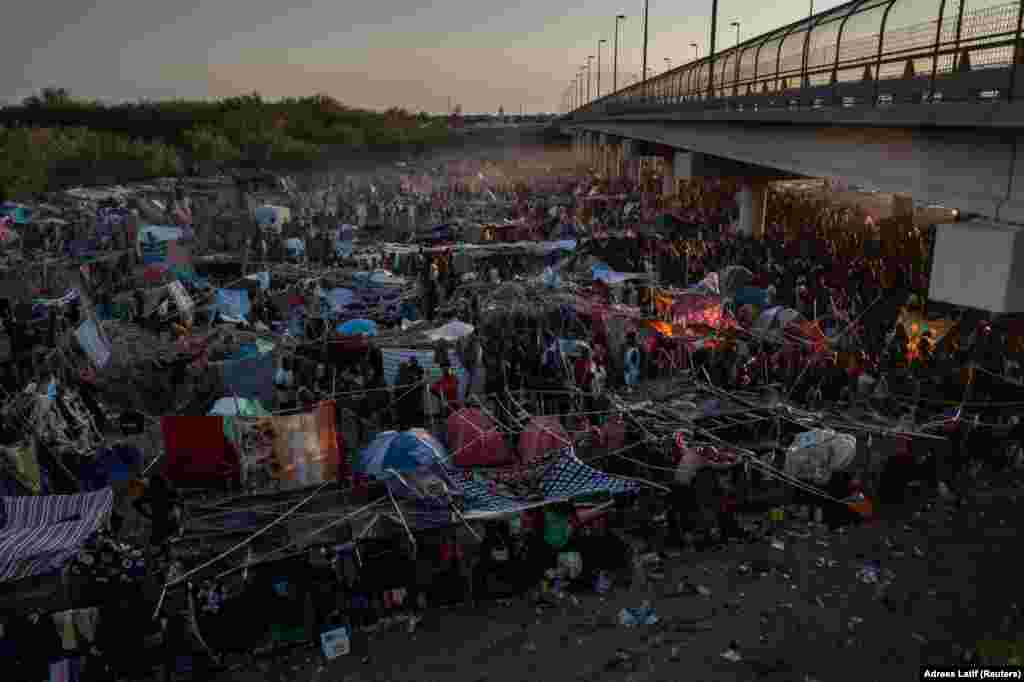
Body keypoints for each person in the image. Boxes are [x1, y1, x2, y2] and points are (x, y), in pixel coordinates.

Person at [133, 473, 181, 559]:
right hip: (162, 501)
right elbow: (175, 516)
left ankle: (145, 478)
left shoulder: (165, 534)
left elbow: (175, 517)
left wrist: (145, 514)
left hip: (159, 502)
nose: (152, 548)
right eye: (154, 549)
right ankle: (146, 478)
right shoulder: (166, 534)